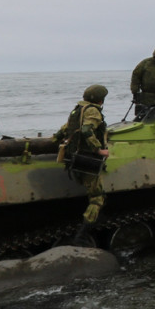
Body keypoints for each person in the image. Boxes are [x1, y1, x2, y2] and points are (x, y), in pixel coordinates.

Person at [55, 84, 110, 225]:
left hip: (74, 156)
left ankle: (99, 220)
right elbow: (86, 130)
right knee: (97, 197)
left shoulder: (78, 109)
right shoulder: (93, 111)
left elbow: (64, 129)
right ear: (101, 100)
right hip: (87, 158)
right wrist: (98, 149)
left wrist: (54, 140)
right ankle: (84, 232)